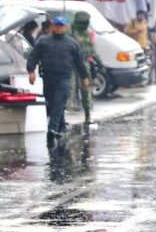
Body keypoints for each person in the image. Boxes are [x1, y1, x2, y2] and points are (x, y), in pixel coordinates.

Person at [26, 17, 89, 148]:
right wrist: (31, 71)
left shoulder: (72, 43)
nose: (59, 28)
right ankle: (60, 127)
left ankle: (52, 129)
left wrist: (84, 76)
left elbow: (79, 62)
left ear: (65, 27)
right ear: (53, 26)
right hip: (48, 77)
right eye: (57, 25)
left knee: (59, 101)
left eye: (61, 25)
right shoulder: (44, 42)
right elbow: (33, 56)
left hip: (64, 78)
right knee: (51, 102)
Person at [71, 11, 102, 125]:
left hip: (84, 65)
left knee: (86, 90)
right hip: (72, 65)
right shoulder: (70, 33)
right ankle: (62, 119)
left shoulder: (87, 34)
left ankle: (87, 115)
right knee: (69, 91)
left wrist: (100, 63)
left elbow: (92, 51)